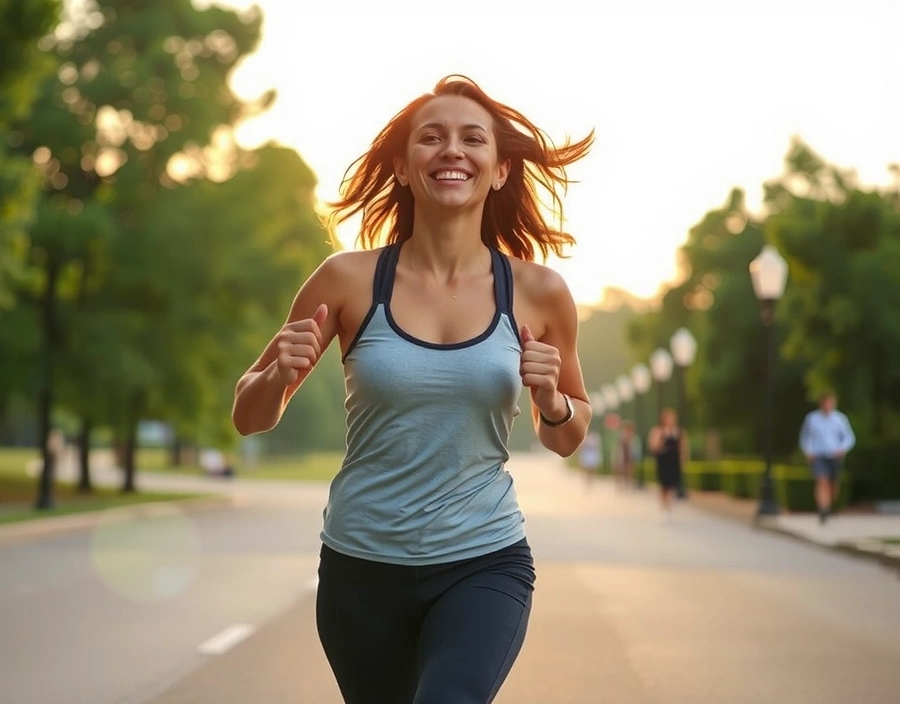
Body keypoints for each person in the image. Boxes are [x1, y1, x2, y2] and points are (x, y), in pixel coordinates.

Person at [231, 75, 593, 703]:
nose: (452, 149)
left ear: (500, 170)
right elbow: (248, 416)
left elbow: (567, 435)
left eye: (472, 138)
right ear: (402, 167)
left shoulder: (539, 293)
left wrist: (553, 403)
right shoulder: (346, 280)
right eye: (432, 137)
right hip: (361, 568)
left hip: (483, 559)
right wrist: (277, 376)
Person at [799, 391, 855, 524]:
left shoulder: (840, 419)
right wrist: (808, 451)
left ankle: (830, 505)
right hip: (818, 455)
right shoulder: (812, 418)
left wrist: (842, 449)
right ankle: (823, 509)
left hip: (834, 455)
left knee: (833, 484)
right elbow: (805, 437)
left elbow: (849, 437)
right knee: (822, 481)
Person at [648, 408, 688, 524]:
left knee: (672, 486)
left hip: (674, 462)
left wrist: (683, 461)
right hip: (663, 462)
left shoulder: (679, 432)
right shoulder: (658, 431)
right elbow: (653, 447)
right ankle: (664, 508)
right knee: (663, 487)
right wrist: (662, 440)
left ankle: (668, 508)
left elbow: (683, 448)